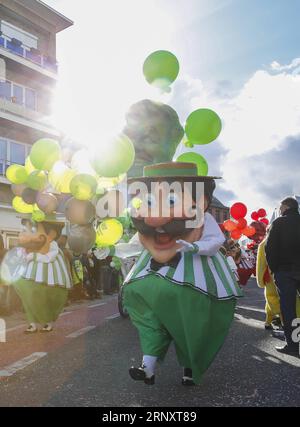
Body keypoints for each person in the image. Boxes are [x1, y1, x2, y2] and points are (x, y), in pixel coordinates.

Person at [106, 162, 242, 386]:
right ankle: (147, 368)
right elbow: (134, 244)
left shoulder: (204, 219)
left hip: (194, 277)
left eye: (171, 199)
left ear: (201, 201)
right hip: (152, 277)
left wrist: (194, 248)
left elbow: (215, 241)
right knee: (151, 322)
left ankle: (189, 369)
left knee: (191, 324)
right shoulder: (150, 221)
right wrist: (112, 249)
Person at [12, 216, 72, 333]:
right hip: (28, 277)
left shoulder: (53, 246)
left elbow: (48, 257)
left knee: (46, 299)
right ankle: (32, 324)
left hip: (50, 280)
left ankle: (48, 323)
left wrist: (32, 256)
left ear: (51, 234)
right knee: (28, 298)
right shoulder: (29, 247)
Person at [265, 197, 300, 356]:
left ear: (286, 207)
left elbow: (270, 248)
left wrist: (274, 269)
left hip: (285, 271)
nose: (279, 210)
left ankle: (293, 345)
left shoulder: (279, 223)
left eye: (280, 207)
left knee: (289, 309)